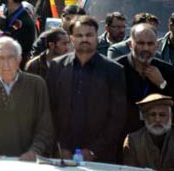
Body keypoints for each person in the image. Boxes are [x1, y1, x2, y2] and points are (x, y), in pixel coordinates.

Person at [46, 16, 127, 163]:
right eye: (79, 35)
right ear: (71, 38)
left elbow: (117, 117)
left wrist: (93, 150)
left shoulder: (114, 71)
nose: (85, 39)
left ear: (97, 37)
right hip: (62, 155)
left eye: (89, 35)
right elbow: (49, 109)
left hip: (100, 157)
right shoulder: (57, 67)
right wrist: (59, 146)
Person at [116, 24, 174, 134]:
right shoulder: (115, 69)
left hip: (158, 139)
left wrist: (162, 84)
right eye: (141, 43)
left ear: (156, 45)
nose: (146, 48)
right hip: (122, 138)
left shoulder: (167, 70)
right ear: (130, 44)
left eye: (150, 44)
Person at [122, 93, 174, 169]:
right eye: (153, 115)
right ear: (145, 117)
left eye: (162, 115)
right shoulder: (132, 141)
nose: (157, 120)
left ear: (171, 117)